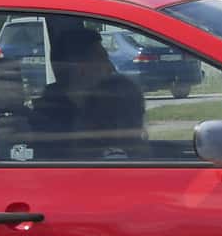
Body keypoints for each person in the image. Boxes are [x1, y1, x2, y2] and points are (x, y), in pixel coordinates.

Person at [30, 25, 146, 158]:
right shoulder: (54, 128)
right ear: (81, 68)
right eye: (103, 59)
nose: (111, 67)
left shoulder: (91, 111)